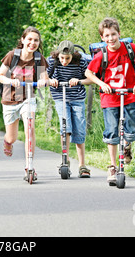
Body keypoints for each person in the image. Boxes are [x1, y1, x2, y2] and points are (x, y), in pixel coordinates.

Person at [85, 17, 135, 184]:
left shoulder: (131, 49)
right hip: (110, 97)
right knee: (112, 132)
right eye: (107, 36)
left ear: (119, 34)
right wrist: (102, 84)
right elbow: (88, 73)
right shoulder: (101, 55)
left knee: (132, 130)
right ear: (102, 37)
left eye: (113, 34)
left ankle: (127, 146)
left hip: (129, 94)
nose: (111, 38)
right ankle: (113, 166)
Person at [0, 26, 50, 181]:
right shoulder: (12, 55)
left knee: (30, 128)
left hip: (28, 98)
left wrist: (42, 82)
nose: (32, 43)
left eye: (36, 40)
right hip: (10, 99)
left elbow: (44, 78)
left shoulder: (39, 58)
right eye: (30, 39)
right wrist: (10, 80)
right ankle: (8, 141)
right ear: (23, 40)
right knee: (12, 137)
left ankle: (30, 166)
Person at [48, 40, 92, 178]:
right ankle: (65, 160)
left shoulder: (81, 62)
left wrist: (79, 81)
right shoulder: (52, 61)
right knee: (65, 126)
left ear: (73, 55)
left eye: (67, 58)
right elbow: (43, 77)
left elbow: (91, 79)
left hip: (77, 97)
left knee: (79, 128)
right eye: (62, 58)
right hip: (60, 96)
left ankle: (82, 165)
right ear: (58, 55)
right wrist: (51, 81)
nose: (64, 61)